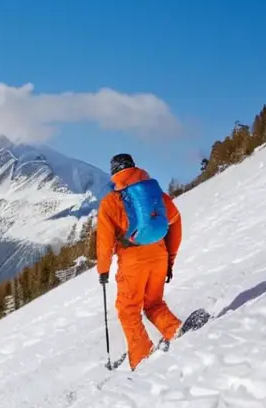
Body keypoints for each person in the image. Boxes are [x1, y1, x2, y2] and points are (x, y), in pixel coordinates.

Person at [96, 153, 183, 371]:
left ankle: (142, 356)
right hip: (160, 254)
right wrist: (170, 259)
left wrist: (103, 271)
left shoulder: (110, 202)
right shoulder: (155, 195)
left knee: (128, 310)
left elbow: (104, 244)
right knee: (154, 304)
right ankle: (175, 331)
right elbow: (175, 221)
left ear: (114, 174)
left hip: (133, 261)